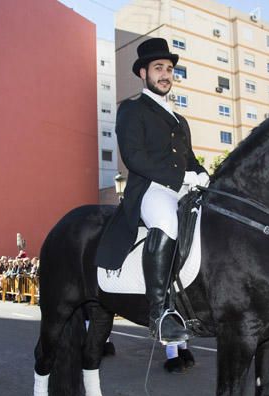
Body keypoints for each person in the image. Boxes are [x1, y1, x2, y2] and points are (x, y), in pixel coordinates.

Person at [95, 37, 209, 344]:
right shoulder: (132, 110)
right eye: (158, 68)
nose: (165, 74)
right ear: (143, 73)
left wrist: (203, 174)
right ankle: (158, 312)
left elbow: (191, 158)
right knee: (167, 221)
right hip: (151, 188)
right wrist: (183, 177)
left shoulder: (180, 120)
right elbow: (134, 157)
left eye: (169, 69)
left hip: (183, 187)